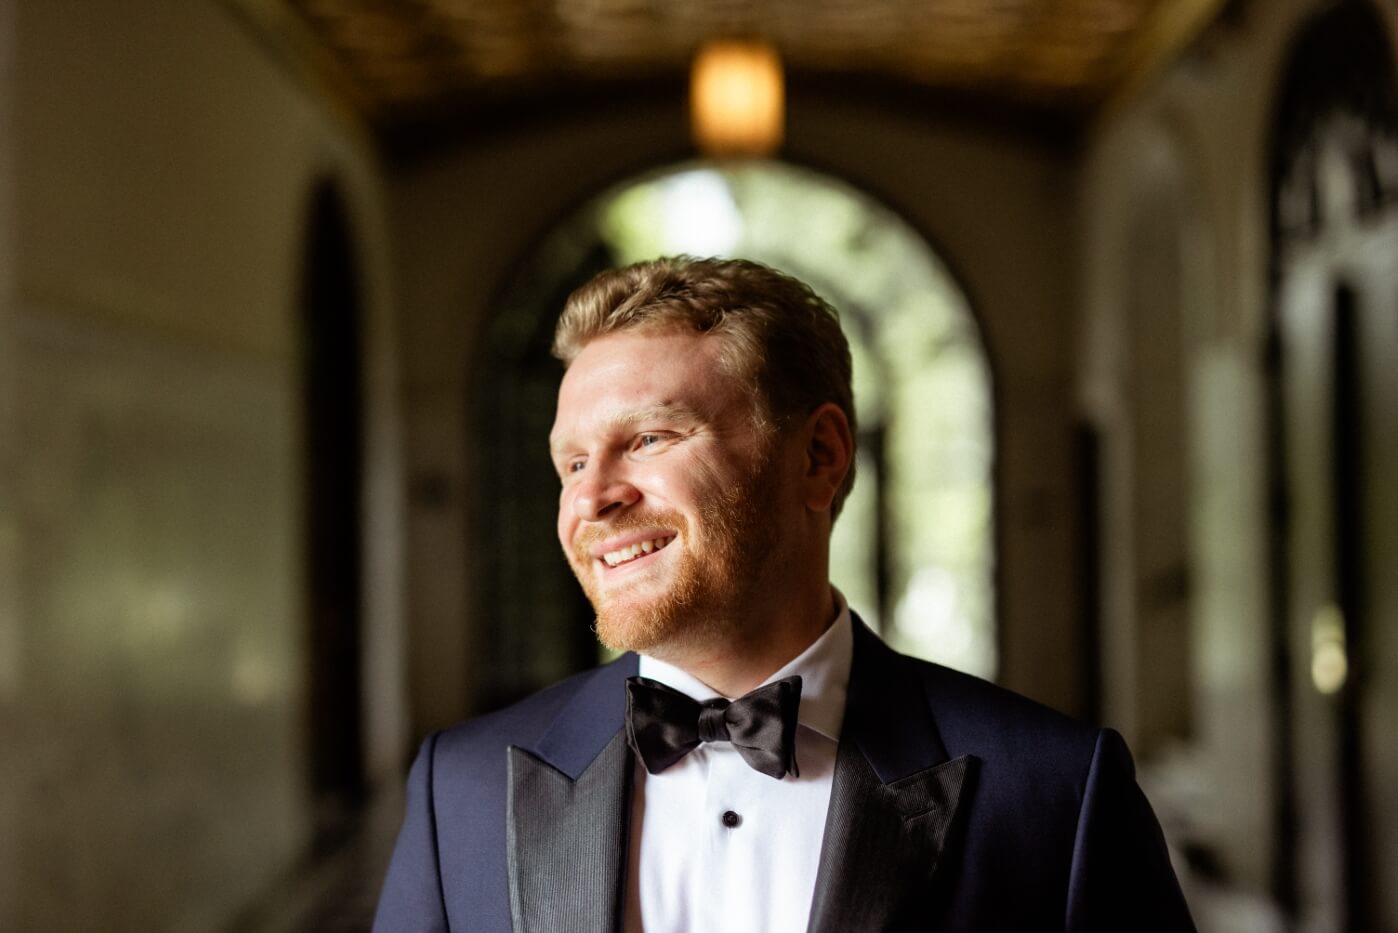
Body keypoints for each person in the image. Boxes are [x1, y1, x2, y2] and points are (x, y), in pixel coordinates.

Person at [372, 256, 1196, 932]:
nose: (591, 501)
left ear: (820, 455)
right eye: (574, 463)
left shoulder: (1058, 794)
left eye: (650, 438)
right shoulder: (463, 791)